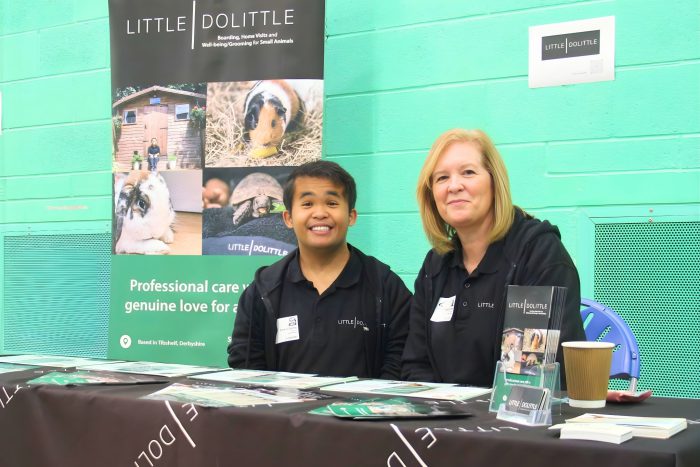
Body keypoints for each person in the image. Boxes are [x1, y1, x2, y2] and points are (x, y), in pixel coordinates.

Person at [401, 128, 585, 387]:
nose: (454, 186)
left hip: (519, 419)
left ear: (494, 181)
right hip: (442, 421)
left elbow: (529, 374)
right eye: (442, 178)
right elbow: (416, 365)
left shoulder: (538, 252)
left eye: (468, 172)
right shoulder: (435, 266)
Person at [227, 160, 411, 379]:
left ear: (351, 216)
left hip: (361, 412)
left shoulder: (385, 286)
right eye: (307, 204)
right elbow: (246, 362)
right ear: (288, 218)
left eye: (332, 203)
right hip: (283, 412)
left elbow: (401, 360)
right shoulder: (264, 288)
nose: (320, 213)